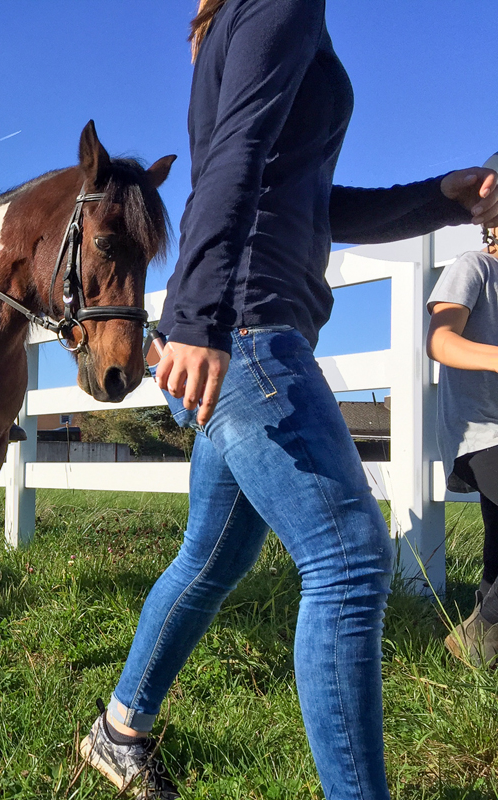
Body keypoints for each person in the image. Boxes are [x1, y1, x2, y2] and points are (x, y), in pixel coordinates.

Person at [75, 3, 498, 799]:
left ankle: (117, 732)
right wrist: (198, 318)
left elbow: (310, 201)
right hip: (245, 327)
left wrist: (442, 197)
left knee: (212, 557)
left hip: (238, 322)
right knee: (348, 559)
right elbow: (230, 160)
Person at [426, 152, 498, 668]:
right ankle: (475, 640)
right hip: (483, 433)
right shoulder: (473, 268)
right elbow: (441, 341)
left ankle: (478, 648)